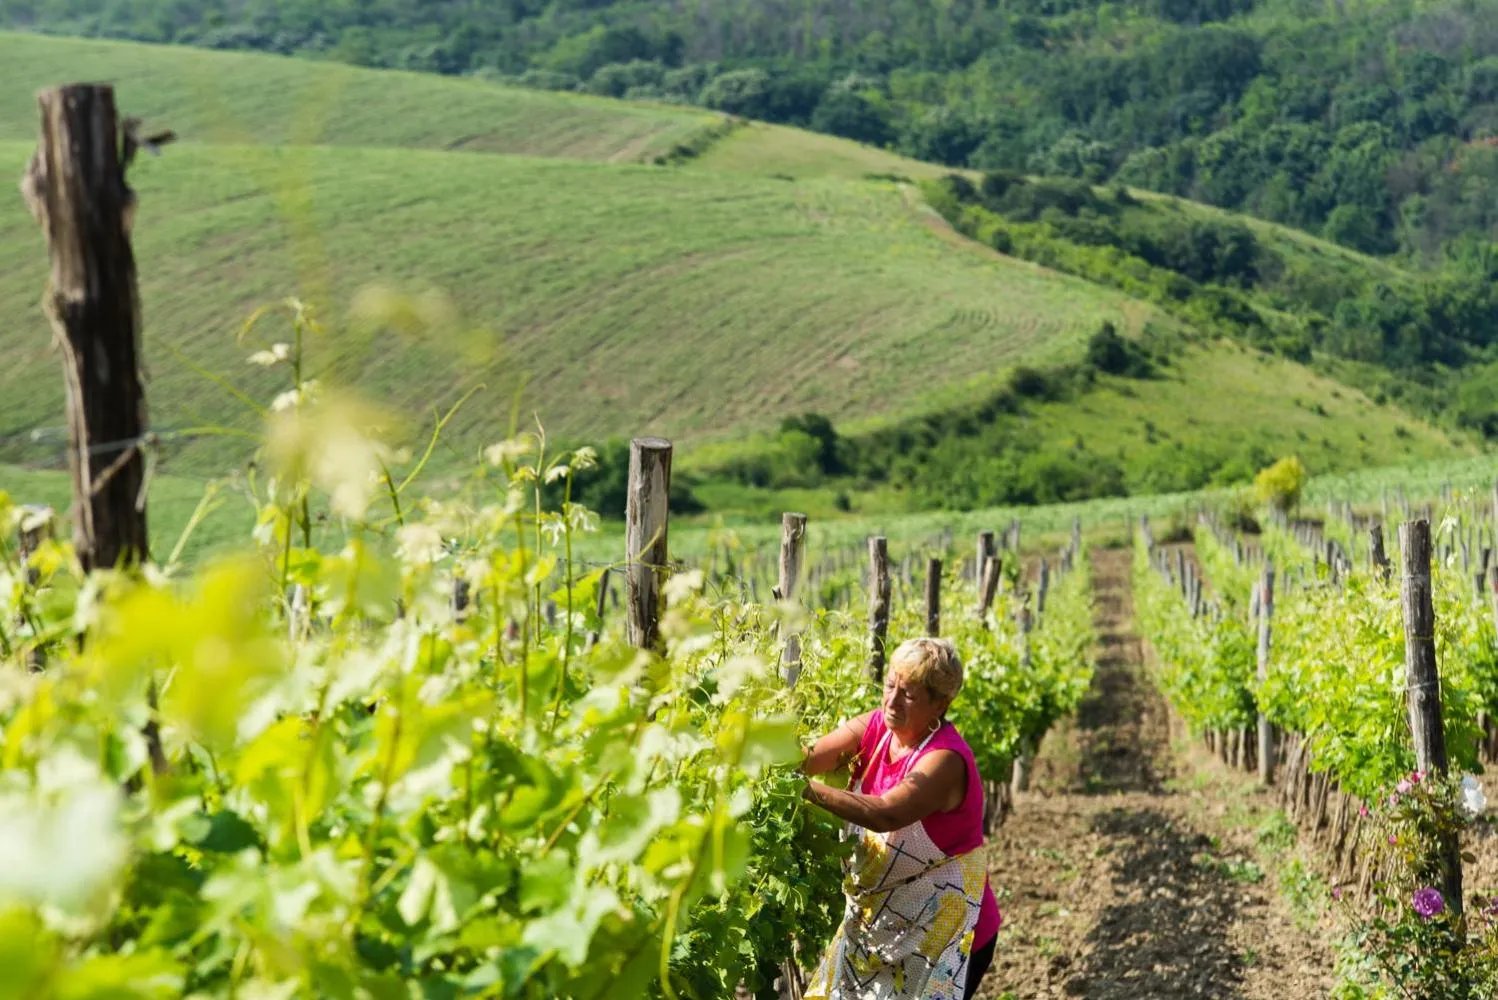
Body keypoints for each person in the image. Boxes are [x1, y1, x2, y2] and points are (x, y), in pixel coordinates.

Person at [799, 637, 1000, 1000]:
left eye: (908, 693)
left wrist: (803, 789)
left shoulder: (945, 760)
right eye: (890, 685)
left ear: (941, 703)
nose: (892, 700)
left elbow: (887, 812)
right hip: (879, 925)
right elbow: (809, 757)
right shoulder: (876, 729)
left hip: (943, 930)